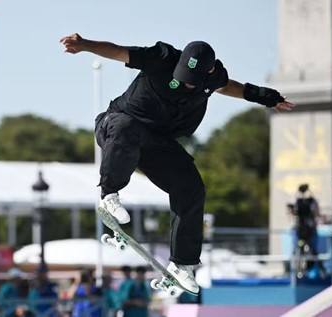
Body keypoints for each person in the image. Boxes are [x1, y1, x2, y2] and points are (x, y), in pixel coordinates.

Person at [60, 34, 295, 293]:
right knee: (126, 126)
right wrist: (85, 45)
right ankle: (109, 195)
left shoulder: (214, 76)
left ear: (210, 70)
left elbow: (227, 86)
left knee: (191, 187)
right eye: (183, 77)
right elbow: (119, 52)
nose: (187, 84)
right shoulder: (161, 58)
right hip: (118, 124)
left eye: (194, 81)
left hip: (158, 141)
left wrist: (263, 96)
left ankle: (182, 264)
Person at [288, 184, 326, 276]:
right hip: (310, 229)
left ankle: (297, 271)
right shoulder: (312, 201)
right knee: (313, 250)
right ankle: (321, 270)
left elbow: (291, 212)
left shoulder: (296, 201)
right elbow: (317, 213)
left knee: (299, 249)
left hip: (300, 230)